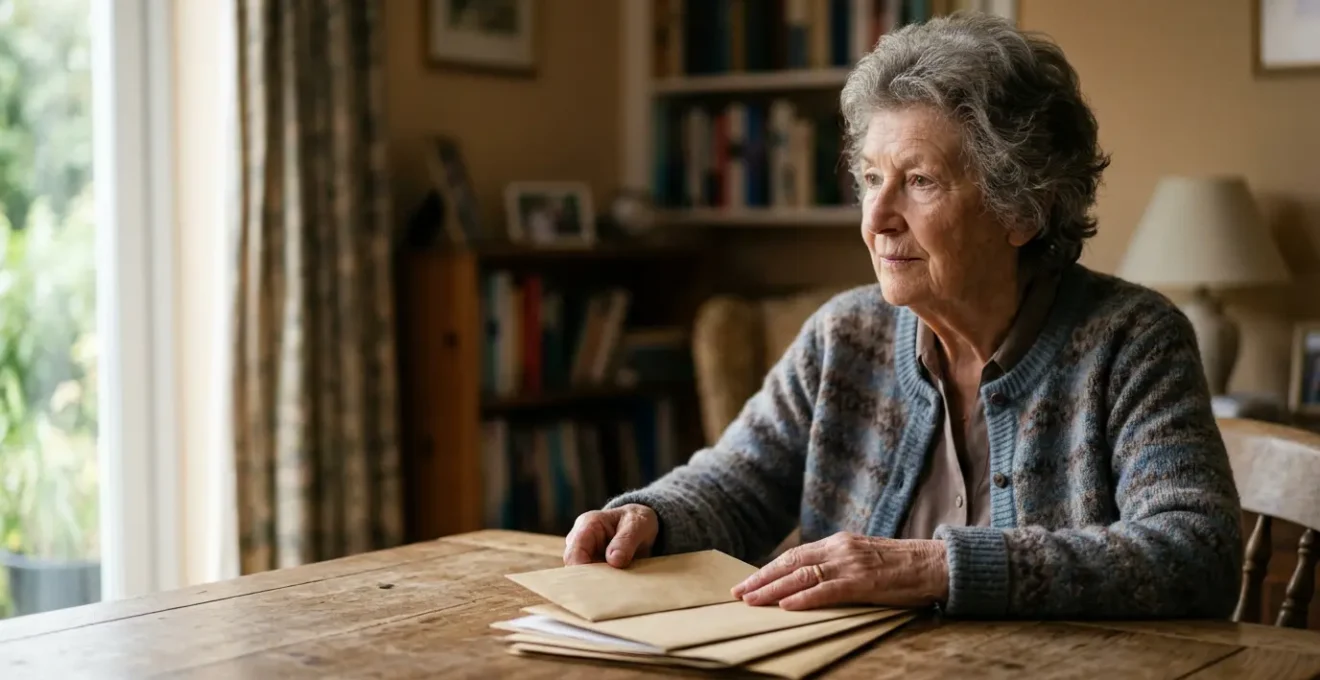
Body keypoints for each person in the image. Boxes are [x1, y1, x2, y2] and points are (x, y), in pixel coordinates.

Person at [563, 13, 1242, 620]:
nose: (877, 219)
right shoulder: (844, 334)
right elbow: (737, 481)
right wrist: (649, 515)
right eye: (869, 179)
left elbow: (1194, 553)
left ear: (1022, 210)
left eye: (920, 182)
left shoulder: (1131, 341)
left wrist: (930, 567)